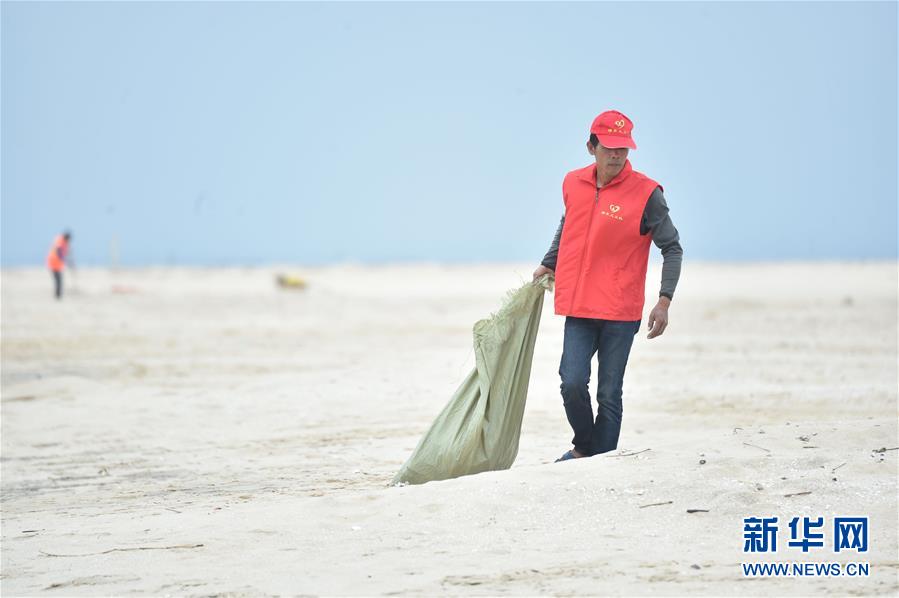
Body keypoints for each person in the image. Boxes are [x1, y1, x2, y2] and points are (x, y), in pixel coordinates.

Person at [532, 110, 682, 462]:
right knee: (571, 381)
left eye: (623, 149)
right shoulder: (572, 183)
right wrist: (548, 261)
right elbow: (568, 224)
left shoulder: (647, 193)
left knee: (609, 393)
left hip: (619, 309)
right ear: (591, 147)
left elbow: (672, 247)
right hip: (580, 305)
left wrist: (664, 300)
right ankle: (585, 447)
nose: (616, 156)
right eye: (609, 148)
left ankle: (598, 460)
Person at [46, 230, 72, 299]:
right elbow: (59, 251)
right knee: (58, 280)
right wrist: (63, 258)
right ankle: (58, 295)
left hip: (56, 264)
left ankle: (58, 295)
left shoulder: (63, 242)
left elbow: (64, 252)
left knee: (58, 280)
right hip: (54, 263)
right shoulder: (60, 241)